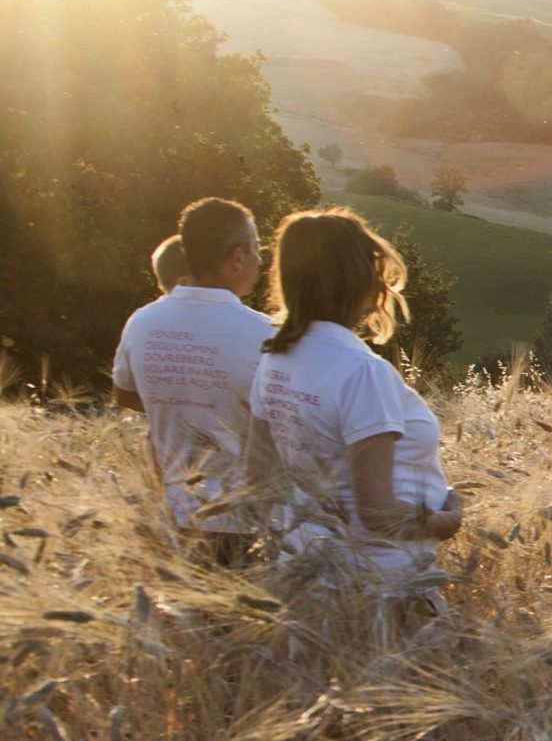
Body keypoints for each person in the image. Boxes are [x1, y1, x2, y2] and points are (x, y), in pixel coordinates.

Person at [247, 207, 461, 584]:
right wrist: (447, 521)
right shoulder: (363, 373)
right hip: (379, 582)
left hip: (306, 568)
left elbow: (257, 479)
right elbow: (377, 514)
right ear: (356, 280)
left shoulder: (274, 360)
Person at [111, 199, 275, 563]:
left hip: (169, 513)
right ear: (237, 258)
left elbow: (124, 393)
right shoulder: (265, 334)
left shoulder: (142, 321)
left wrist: (180, 404)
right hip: (244, 521)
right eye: (256, 249)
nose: (260, 261)